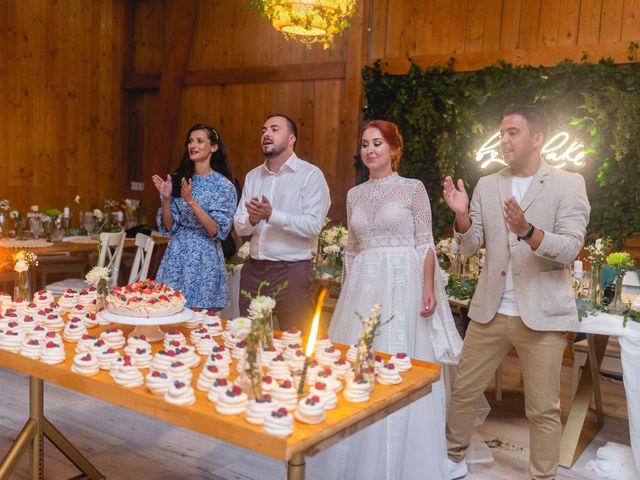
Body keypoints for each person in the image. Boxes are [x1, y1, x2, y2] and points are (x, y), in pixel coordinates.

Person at [307, 120, 462, 480]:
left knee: (401, 358)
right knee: (358, 361)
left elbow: (425, 242)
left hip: (403, 283)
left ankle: (407, 456)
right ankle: (352, 453)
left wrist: (427, 285)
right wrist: (347, 293)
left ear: (394, 149)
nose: (370, 149)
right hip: (363, 285)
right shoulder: (354, 195)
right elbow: (351, 250)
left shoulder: (412, 189)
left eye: (377, 143)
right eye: (364, 144)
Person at [443, 104, 590, 480]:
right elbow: (470, 246)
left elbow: (571, 247)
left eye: (512, 132)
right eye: (502, 132)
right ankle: (449, 462)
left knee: (542, 410)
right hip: (490, 310)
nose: (504, 140)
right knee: (462, 393)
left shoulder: (568, 182)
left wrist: (528, 230)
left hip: (542, 315)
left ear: (537, 138)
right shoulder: (488, 184)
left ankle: (543, 476)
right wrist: (461, 215)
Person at [233, 114, 330, 333]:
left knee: (294, 339)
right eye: (263, 130)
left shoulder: (310, 175)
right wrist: (253, 218)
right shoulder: (253, 176)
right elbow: (239, 225)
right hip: (254, 270)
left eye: (275, 129)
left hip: (292, 271)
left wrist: (271, 215)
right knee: (249, 338)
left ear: (291, 139)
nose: (266, 134)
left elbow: (314, 225)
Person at [152, 123, 237, 309]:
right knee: (169, 312)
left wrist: (191, 201)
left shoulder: (224, 186)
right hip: (177, 253)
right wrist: (166, 199)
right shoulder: (178, 179)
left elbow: (217, 230)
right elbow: (168, 226)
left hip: (205, 256)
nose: (193, 145)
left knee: (200, 321)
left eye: (200, 141)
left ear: (213, 147)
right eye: (190, 141)